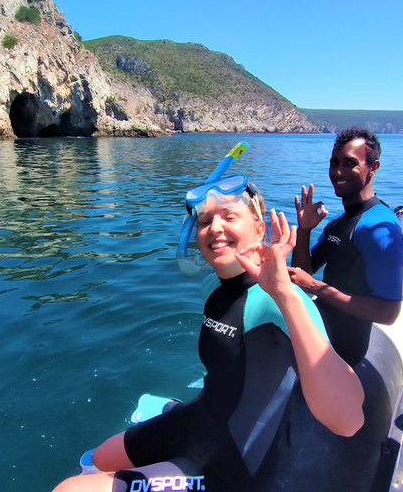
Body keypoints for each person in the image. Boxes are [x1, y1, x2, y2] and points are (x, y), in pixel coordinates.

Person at [52, 176, 365, 492]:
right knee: (102, 457)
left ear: (259, 229)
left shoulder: (279, 300)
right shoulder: (217, 290)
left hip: (230, 467)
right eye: (204, 222)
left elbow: (349, 420)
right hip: (198, 421)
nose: (214, 228)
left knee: (68, 490)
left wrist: (284, 293)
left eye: (229, 217)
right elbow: (225, 372)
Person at [289, 127, 403, 367]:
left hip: (342, 353)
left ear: (373, 167)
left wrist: (315, 287)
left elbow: (388, 312)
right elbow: (304, 271)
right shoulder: (340, 222)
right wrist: (304, 230)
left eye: (350, 163)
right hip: (319, 332)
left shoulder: (379, 228)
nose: (338, 171)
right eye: (334, 163)